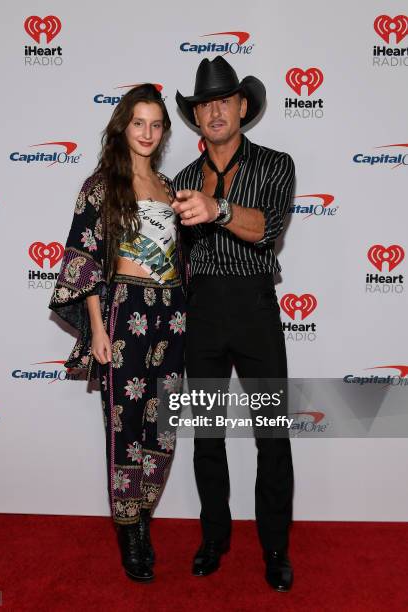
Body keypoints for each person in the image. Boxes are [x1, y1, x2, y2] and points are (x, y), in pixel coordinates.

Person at [49, 84, 186, 583]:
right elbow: (83, 256)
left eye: (156, 124)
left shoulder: (171, 189)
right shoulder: (101, 184)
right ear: (123, 128)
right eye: (138, 123)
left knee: (163, 426)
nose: (147, 132)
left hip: (170, 316)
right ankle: (130, 531)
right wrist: (96, 326)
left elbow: (182, 260)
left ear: (164, 131)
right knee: (124, 427)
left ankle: (143, 513)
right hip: (123, 314)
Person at [172, 56, 295, 591]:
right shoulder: (177, 181)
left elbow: (265, 228)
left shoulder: (275, 164)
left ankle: (274, 547)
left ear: (243, 107)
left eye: (224, 100)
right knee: (206, 435)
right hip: (201, 315)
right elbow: (168, 259)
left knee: (271, 435)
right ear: (196, 116)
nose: (214, 110)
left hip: (254, 312)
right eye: (205, 104)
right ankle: (214, 538)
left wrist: (216, 207)